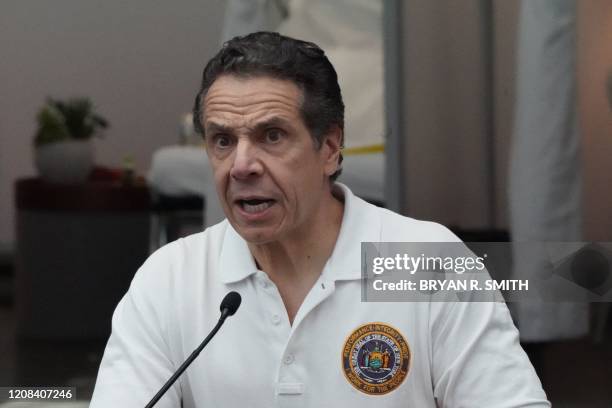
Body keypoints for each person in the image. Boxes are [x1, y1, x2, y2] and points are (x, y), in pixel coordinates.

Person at [90, 32, 550, 407]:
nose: (241, 165)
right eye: (223, 140)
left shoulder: (429, 262)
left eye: (271, 136)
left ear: (330, 148)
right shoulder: (170, 277)